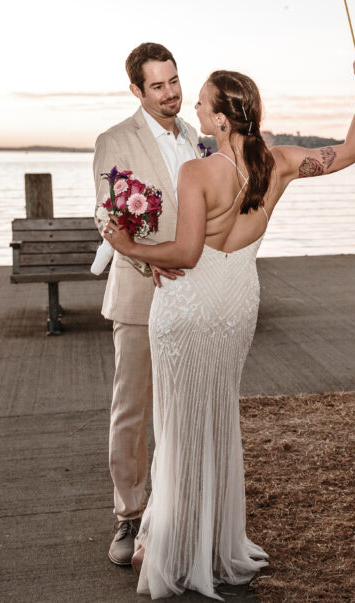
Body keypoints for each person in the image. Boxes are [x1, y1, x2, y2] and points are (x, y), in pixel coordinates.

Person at [102, 51, 355, 599]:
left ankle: (170, 547)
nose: (197, 111)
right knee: (216, 420)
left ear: (223, 119)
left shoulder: (197, 171)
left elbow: (182, 253)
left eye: (204, 105)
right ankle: (211, 541)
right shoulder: (276, 163)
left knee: (179, 427)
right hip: (235, 307)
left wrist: (125, 242)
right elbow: (351, 151)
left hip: (186, 308)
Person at [92, 42, 201, 566]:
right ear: (136, 90)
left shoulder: (199, 140)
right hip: (140, 297)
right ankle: (129, 516)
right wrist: (146, 258)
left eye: (174, 81)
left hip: (195, 297)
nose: (170, 93)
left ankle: (176, 509)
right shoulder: (115, 140)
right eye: (157, 86)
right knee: (132, 412)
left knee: (183, 409)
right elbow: (106, 215)